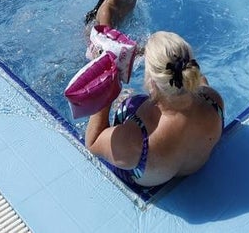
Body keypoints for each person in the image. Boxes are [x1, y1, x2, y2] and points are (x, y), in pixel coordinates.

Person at [85, 31, 223, 187]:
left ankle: (122, 99)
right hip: (190, 165)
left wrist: (107, 83)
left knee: (130, 104)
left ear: (151, 83)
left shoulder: (133, 142)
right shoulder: (213, 100)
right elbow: (201, 82)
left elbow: (92, 143)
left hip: (145, 165)